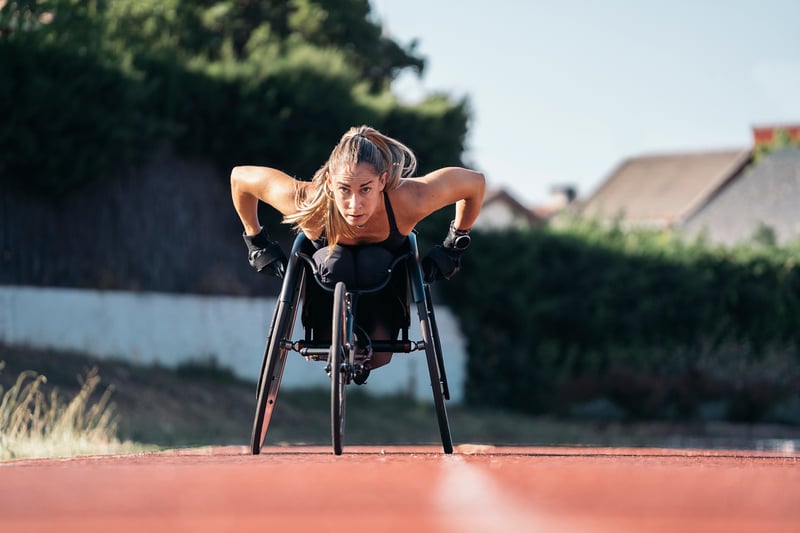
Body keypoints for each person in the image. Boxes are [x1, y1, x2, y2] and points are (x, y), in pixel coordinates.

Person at [230, 125, 485, 383]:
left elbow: (474, 183)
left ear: (382, 181)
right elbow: (240, 178)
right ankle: (332, 339)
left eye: (365, 189)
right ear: (330, 183)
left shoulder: (408, 200)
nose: (355, 204)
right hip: (327, 277)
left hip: (384, 276)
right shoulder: (308, 201)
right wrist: (256, 241)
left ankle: (363, 351)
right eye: (344, 190)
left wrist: (455, 245)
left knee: (378, 341)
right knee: (336, 262)